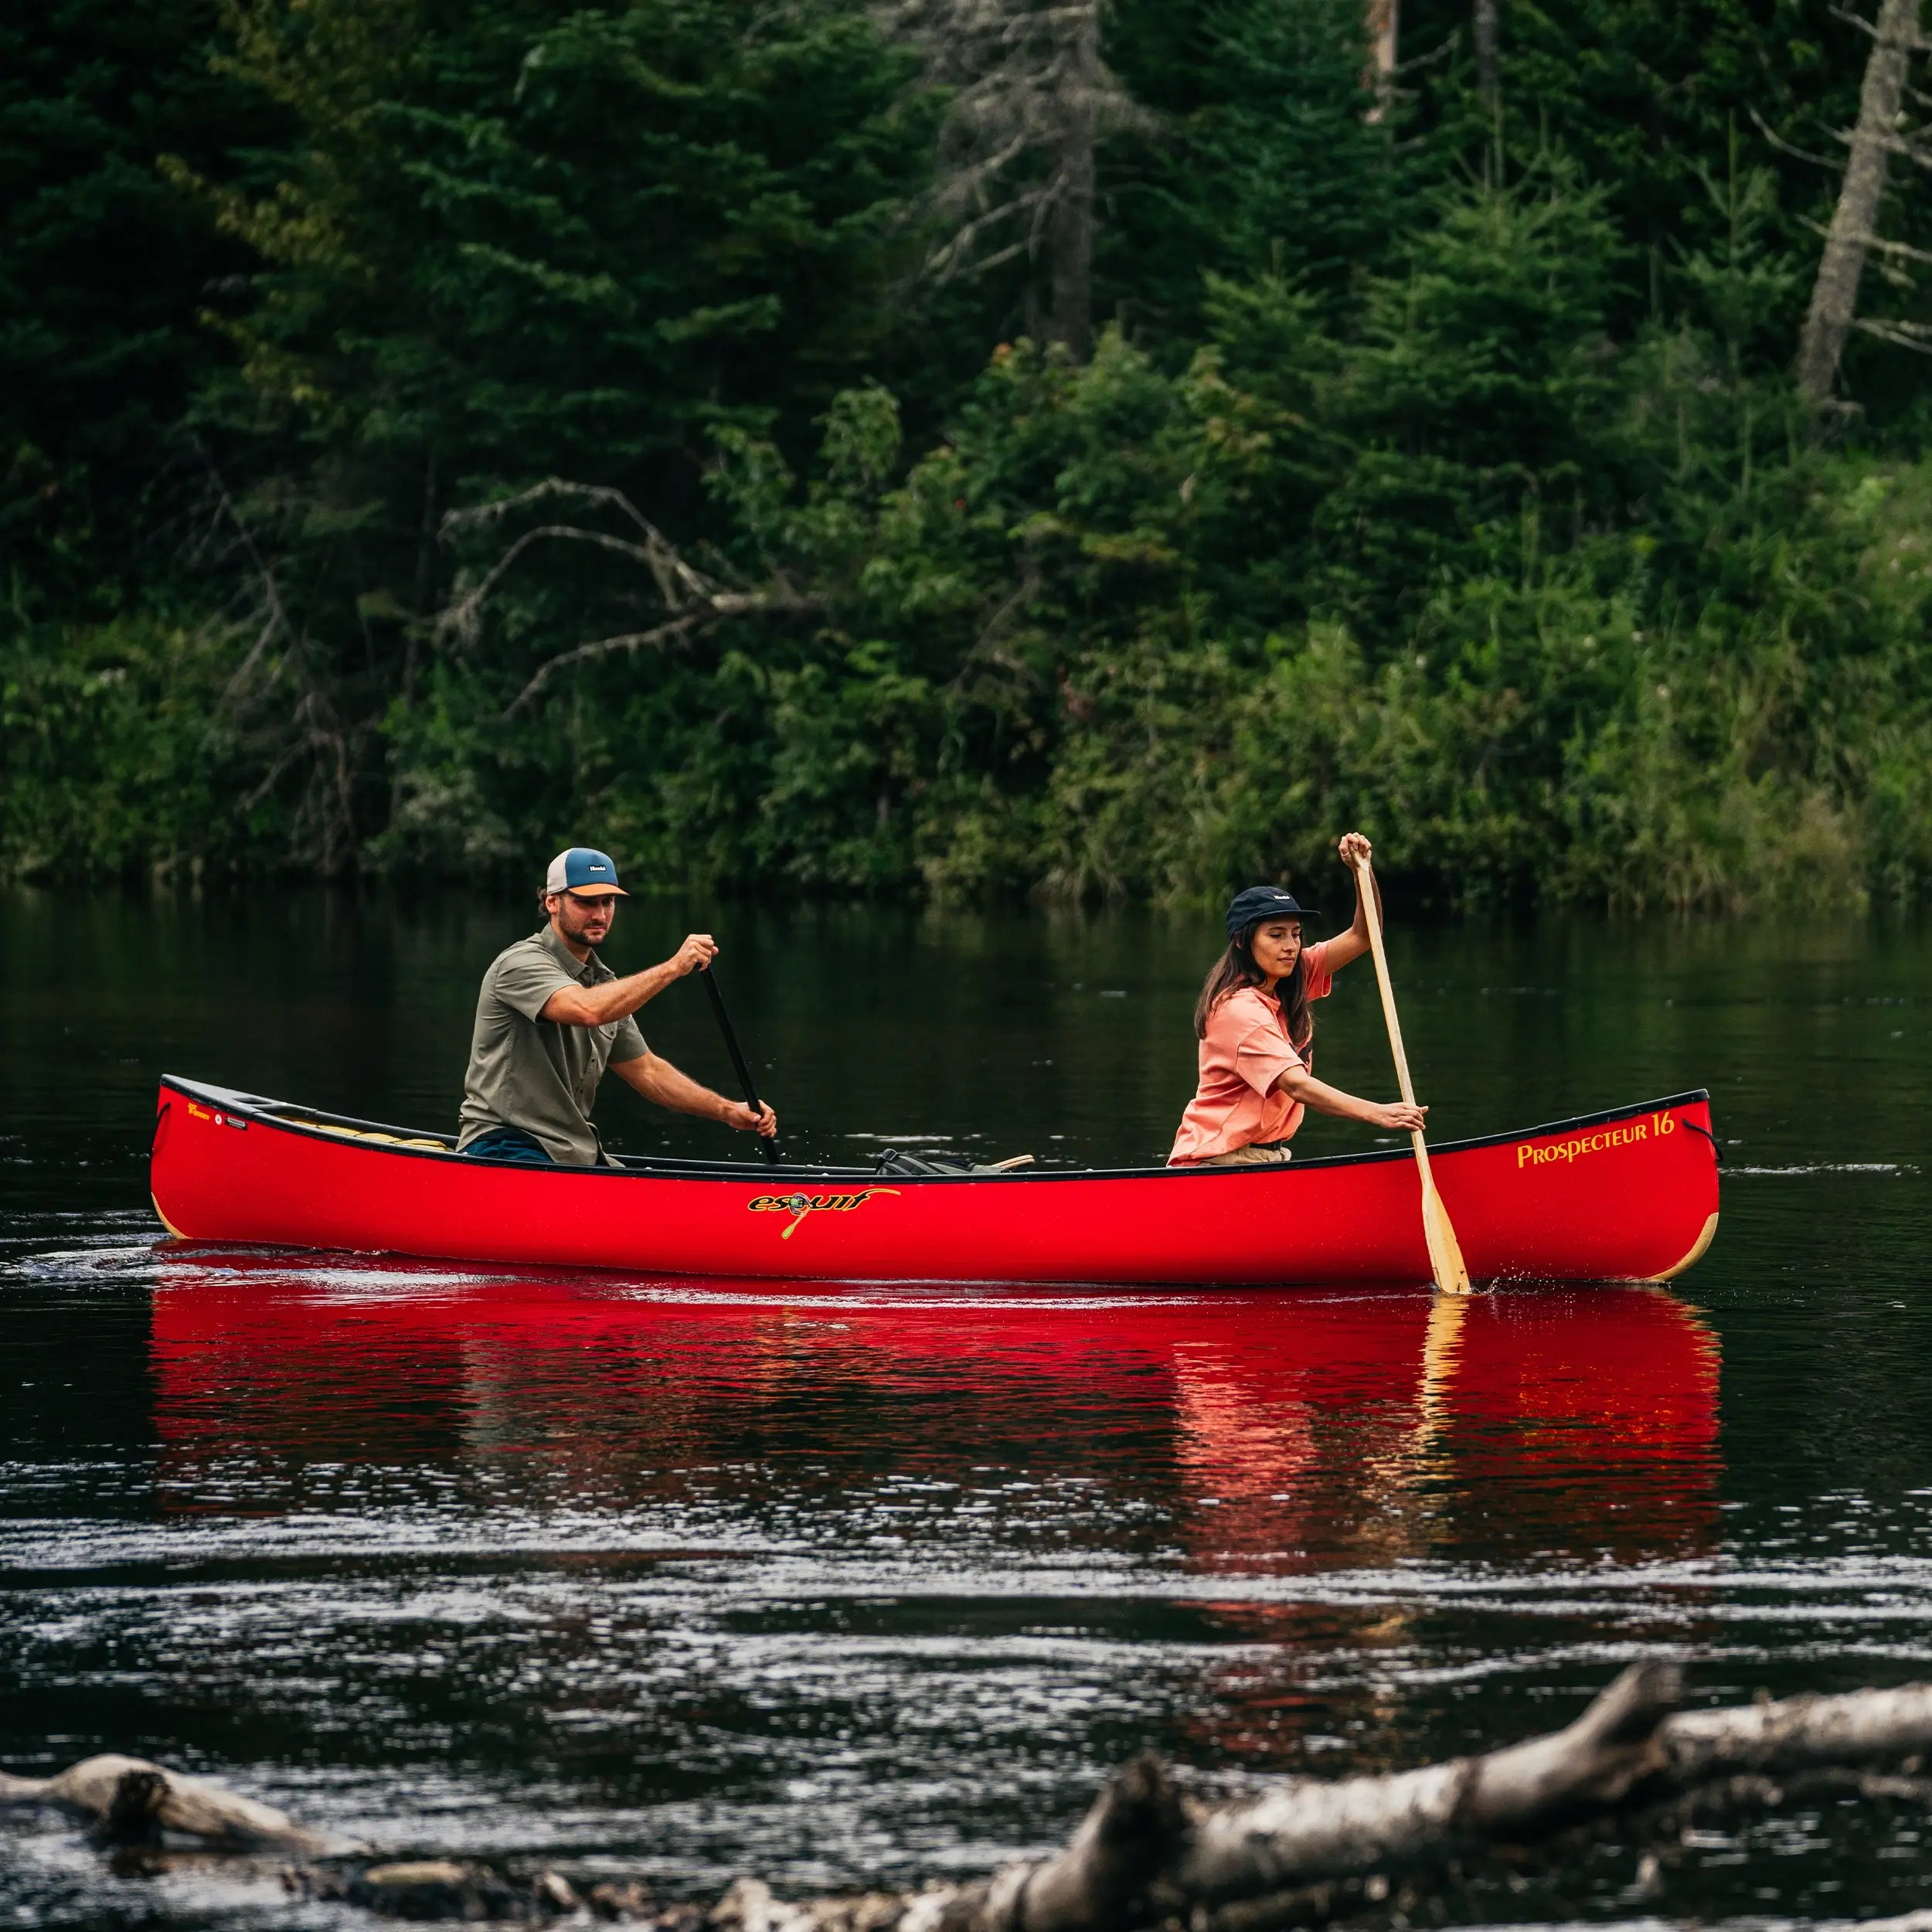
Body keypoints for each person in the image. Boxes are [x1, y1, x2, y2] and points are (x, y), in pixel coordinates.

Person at [457, 846, 778, 1165]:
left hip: (571, 1151)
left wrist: (727, 1110)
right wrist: (673, 968)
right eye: (585, 902)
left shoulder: (604, 987)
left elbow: (649, 1072)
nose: (599, 914)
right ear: (552, 902)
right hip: (504, 1145)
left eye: (607, 902)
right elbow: (587, 1011)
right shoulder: (520, 963)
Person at [1168, 832, 1427, 1167]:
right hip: (1218, 1161)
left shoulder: (1291, 975)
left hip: (1267, 1157)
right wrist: (1378, 1113)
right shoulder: (1237, 1009)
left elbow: (1366, 935)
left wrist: (1362, 872)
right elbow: (1296, 1084)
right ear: (1243, 943)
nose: (1290, 946)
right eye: (1275, 935)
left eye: (1295, 934)